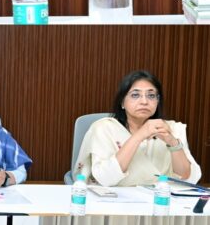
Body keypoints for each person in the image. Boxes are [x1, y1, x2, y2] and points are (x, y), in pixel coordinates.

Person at [73, 70, 201, 186]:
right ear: (122, 102)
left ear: (157, 101)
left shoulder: (172, 129)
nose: (144, 101)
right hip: (115, 199)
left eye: (151, 95)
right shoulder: (104, 128)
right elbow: (105, 178)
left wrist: (172, 142)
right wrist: (139, 135)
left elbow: (187, 178)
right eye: (135, 95)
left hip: (161, 198)